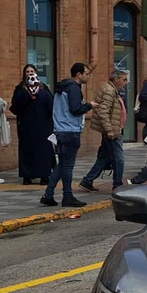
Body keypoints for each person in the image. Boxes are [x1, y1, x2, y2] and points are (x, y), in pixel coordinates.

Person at [42, 62, 92, 207]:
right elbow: (75, 109)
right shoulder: (73, 88)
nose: (88, 76)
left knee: (62, 164)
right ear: (78, 74)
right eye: (86, 74)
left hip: (60, 130)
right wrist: (90, 105)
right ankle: (67, 196)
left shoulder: (61, 88)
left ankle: (49, 194)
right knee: (68, 166)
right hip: (71, 131)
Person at [80, 69, 129, 193]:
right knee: (119, 159)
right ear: (116, 79)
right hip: (112, 131)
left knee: (104, 157)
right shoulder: (109, 91)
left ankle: (88, 180)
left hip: (112, 129)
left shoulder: (112, 90)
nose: (126, 82)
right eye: (124, 80)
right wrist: (109, 130)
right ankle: (117, 184)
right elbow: (103, 111)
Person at [10, 64, 55, 186]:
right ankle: (27, 175)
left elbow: (51, 105)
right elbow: (15, 107)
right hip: (26, 125)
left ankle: (44, 175)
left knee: (43, 150)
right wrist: (27, 95)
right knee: (27, 150)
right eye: (27, 71)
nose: (30, 73)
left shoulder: (43, 88)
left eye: (32, 71)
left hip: (42, 124)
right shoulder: (20, 88)